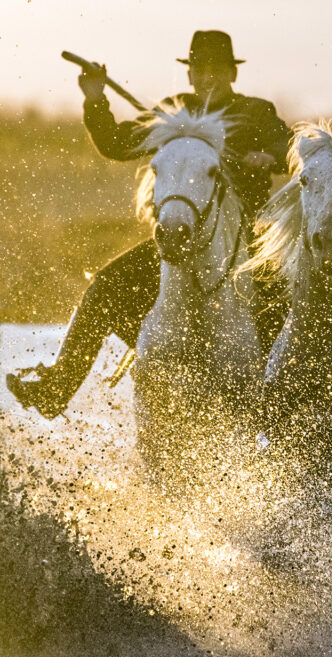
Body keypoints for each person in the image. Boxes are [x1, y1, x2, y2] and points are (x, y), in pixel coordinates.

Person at [6, 30, 292, 419]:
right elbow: (116, 143)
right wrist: (95, 99)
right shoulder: (173, 111)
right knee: (105, 287)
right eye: (200, 69)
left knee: (290, 302)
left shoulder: (256, 112)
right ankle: (57, 386)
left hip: (246, 241)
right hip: (177, 237)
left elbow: (289, 148)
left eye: (216, 69)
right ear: (189, 75)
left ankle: (284, 409)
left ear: (232, 74)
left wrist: (269, 156)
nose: (207, 77)